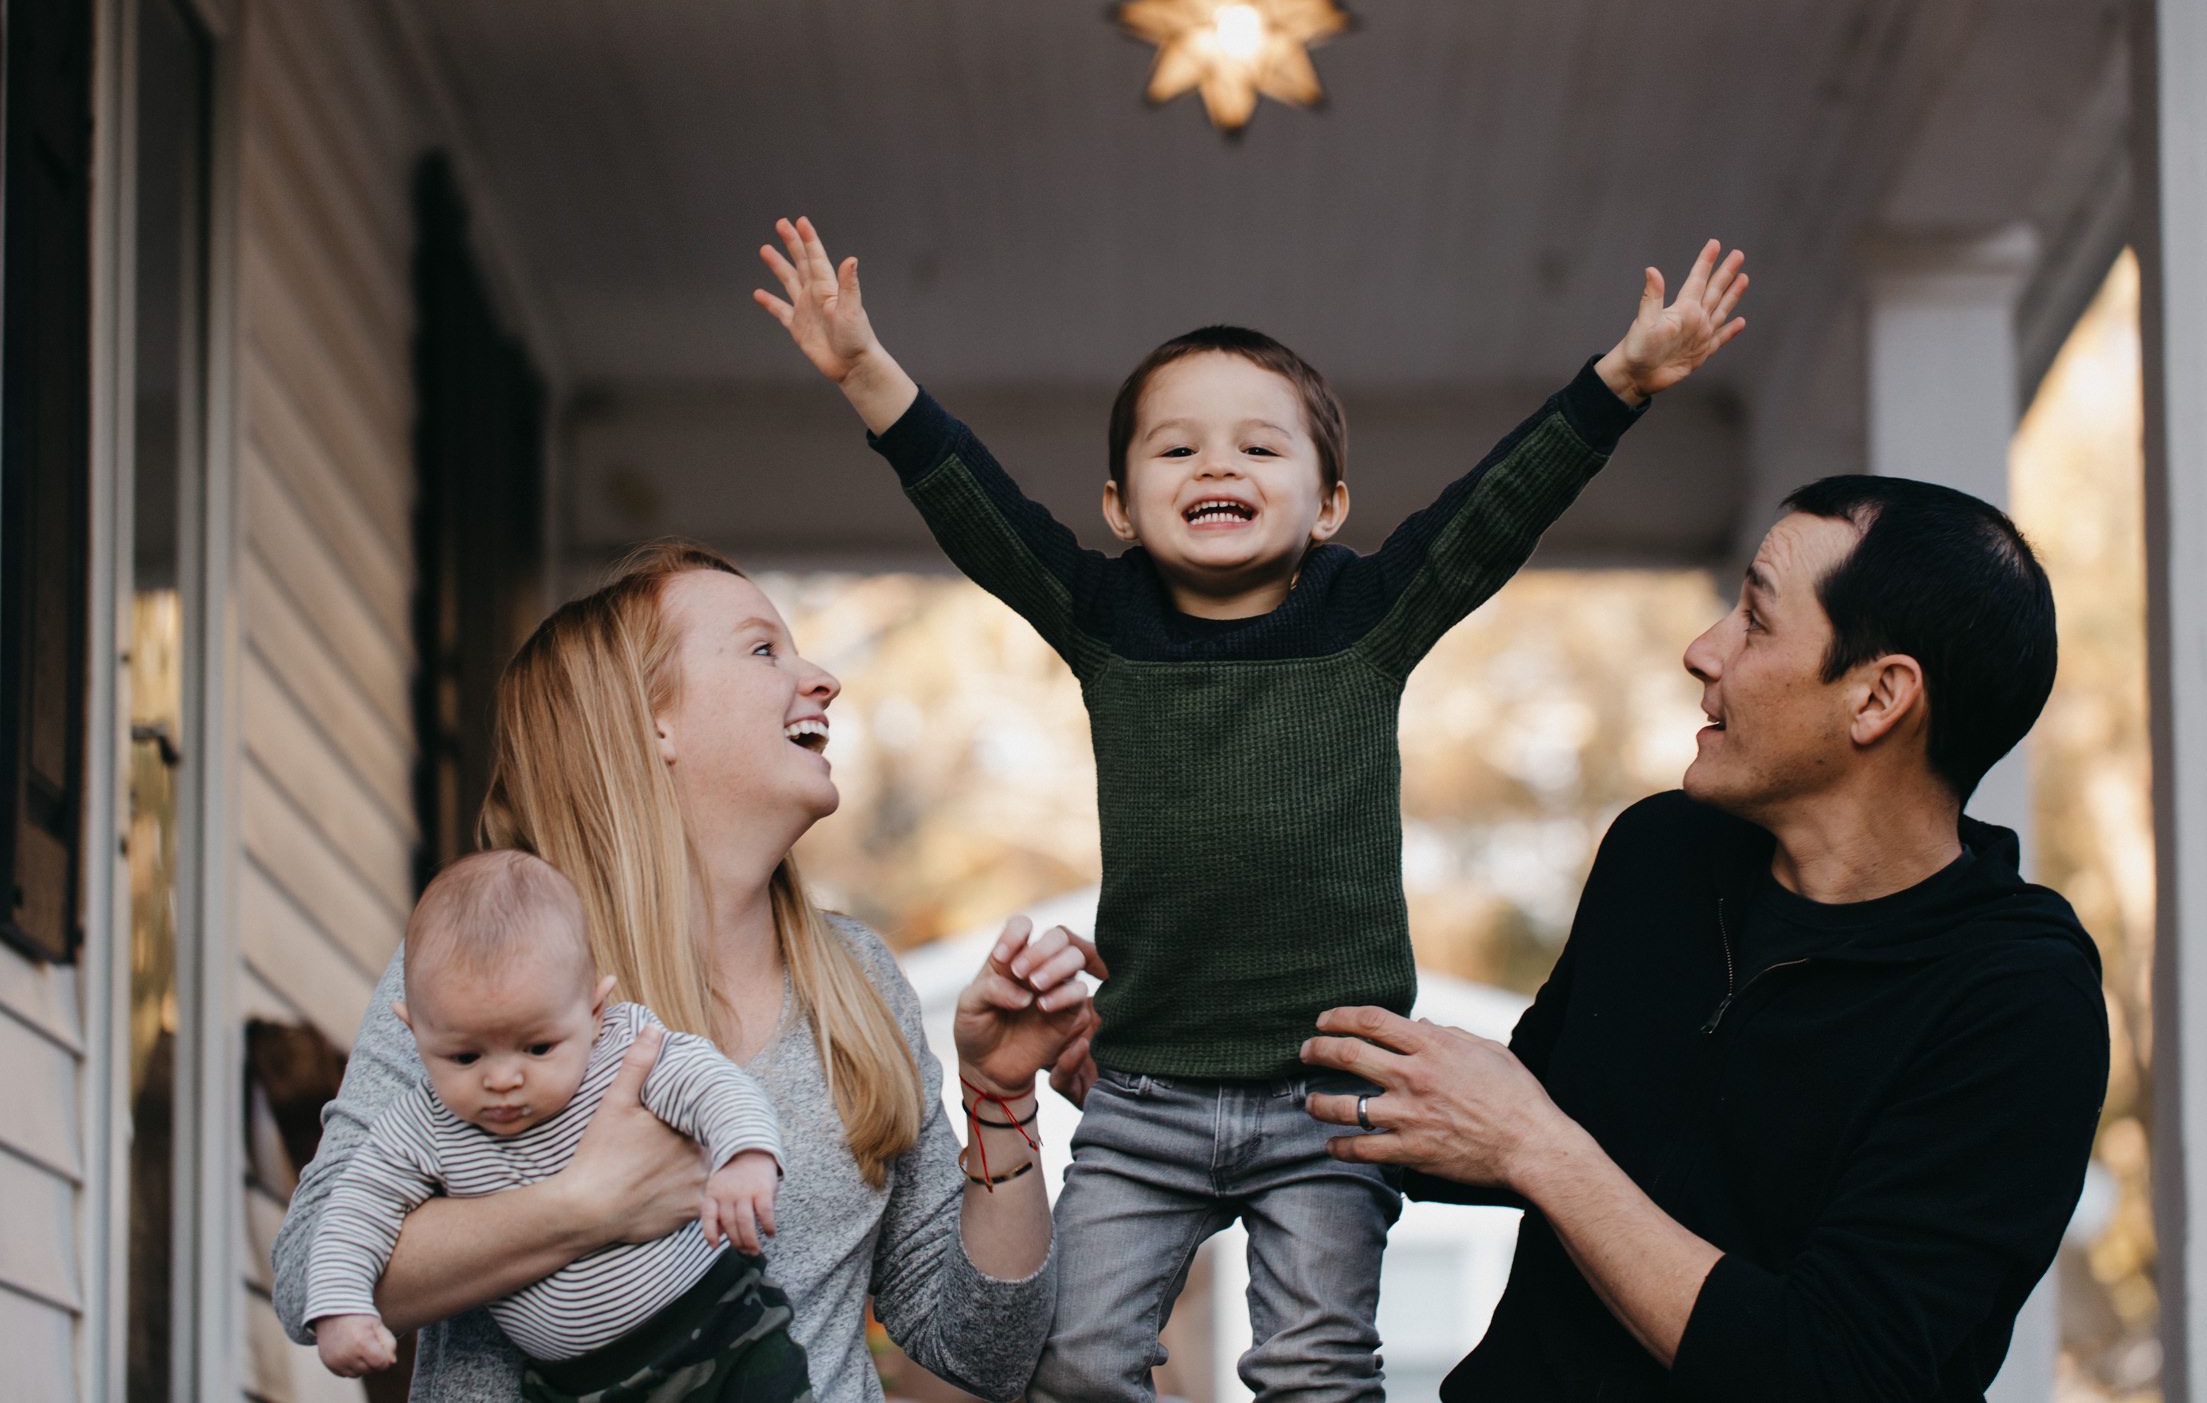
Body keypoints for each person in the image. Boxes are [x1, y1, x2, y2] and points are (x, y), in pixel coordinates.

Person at [750, 216, 1749, 1403]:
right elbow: (977, 510)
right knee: (1073, 1361)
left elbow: (1495, 509)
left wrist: (1626, 375)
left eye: (1257, 447)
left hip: (1328, 1090)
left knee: (1314, 1366)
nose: (1215, 466)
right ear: (1120, 506)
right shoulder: (1101, 620)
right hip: (1141, 1096)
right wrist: (865, 367)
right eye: (1175, 450)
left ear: (1328, 504)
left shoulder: (1367, 618)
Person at [1301, 475, 2111, 1401]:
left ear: (1878, 697)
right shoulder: (1662, 853)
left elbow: (1833, 1372)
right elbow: (1492, 1120)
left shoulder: (2018, 1004)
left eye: (1756, 620)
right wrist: (1172, 1074)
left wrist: (1541, 1149)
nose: (1703, 650)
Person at [273, 541, 1099, 1402]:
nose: (822, 677)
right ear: (649, 721)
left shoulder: (858, 981)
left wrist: (1000, 1098)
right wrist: (586, 1204)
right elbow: (310, 1274)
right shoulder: (490, 972)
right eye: (762, 649)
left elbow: (982, 1351)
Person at [302, 850, 797, 1398]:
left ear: (593, 1011)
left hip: (723, 1328)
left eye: (538, 1047)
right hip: (579, 1387)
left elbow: (713, 1084)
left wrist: (744, 1157)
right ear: (414, 1031)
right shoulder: (422, 1126)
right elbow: (353, 1212)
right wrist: (341, 1308)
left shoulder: (621, 1049)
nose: (504, 1078)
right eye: (466, 1057)